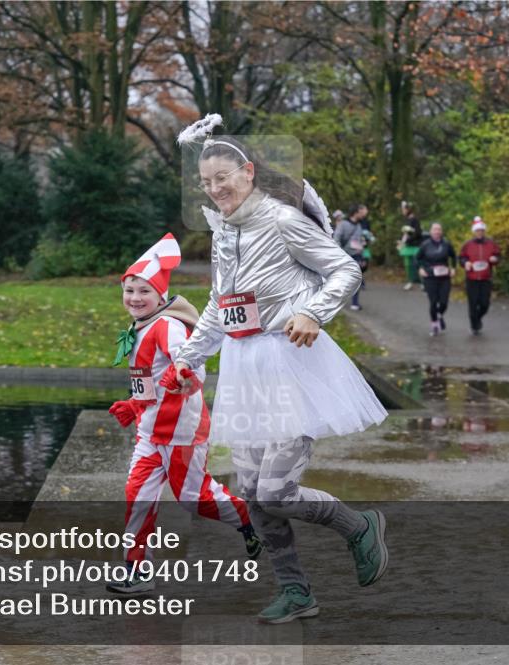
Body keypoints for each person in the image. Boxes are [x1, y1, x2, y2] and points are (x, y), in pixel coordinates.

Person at [173, 117, 389, 625]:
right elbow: (217, 306)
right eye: (206, 182)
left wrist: (312, 312)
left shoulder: (282, 219)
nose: (215, 188)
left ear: (247, 172)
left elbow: (344, 269)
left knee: (276, 491)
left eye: (222, 177)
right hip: (244, 366)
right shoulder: (224, 228)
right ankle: (296, 593)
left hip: (290, 360)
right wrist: (187, 358)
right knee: (251, 492)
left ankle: (358, 526)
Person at [108, 233, 262, 594]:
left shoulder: (168, 326)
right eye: (129, 290)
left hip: (182, 433)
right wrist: (134, 404)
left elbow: (191, 365)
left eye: (144, 291)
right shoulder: (139, 327)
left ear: (160, 296)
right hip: (150, 433)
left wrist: (184, 376)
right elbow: (148, 380)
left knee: (194, 500)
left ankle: (249, 519)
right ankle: (136, 569)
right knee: (137, 495)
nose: (135, 298)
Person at [459, 216, 501, 335]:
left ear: (484, 231)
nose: (480, 233)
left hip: (485, 278)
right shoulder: (467, 244)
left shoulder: (491, 244)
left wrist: (495, 259)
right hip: (472, 278)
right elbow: (462, 257)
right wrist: (465, 263)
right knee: (473, 303)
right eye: (477, 231)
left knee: (485, 304)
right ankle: (474, 326)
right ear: (474, 231)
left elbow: (498, 256)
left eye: (482, 230)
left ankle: (477, 318)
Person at [417, 223, 457, 336]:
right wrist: (420, 269)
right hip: (430, 277)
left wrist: (453, 268)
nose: (437, 231)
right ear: (430, 232)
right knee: (434, 302)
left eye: (439, 229)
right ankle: (434, 324)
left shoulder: (446, 244)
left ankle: (439, 315)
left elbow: (454, 256)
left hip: (444, 277)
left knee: (444, 302)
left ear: (441, 231)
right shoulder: (425, 245)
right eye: (435, 229)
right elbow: (417, 258)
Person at [333, 204, 368, 311]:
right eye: (362, 211)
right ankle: (334, 303)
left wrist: (363, 245)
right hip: (344, 256)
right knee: (342, 280)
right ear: (356, 211)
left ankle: (355, 303)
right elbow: (336, 238)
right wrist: (340, 255)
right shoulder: (343, 224)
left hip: (356, 256)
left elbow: (359, 241)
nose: (364, 214)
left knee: (356, 278)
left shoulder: (359, 226)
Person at [397, 201, 423, 290]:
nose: (402, 211)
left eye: (404, 209)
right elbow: (405, 234)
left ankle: (422, 282)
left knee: (417, 264)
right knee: (408, 265)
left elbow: (418, 233)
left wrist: (409, 238)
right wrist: (401, 241)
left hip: (415, 246)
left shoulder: (415, 219)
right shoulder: (406, 220)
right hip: (407, 246)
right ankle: (410, 281)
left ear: (408, 209)